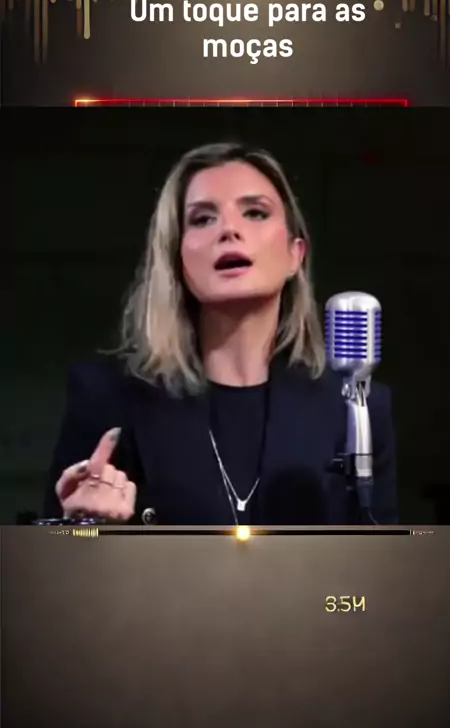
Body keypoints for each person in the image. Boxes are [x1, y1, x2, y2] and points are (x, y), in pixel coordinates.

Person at [44, 142, 398, 526]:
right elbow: (53, 557)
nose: (229, 230)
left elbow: (381, 558)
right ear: (177, 257)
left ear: (295, 254)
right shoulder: (107, 398)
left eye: (255, 212)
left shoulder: (357, 410)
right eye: (202, 219)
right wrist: (86, 528)